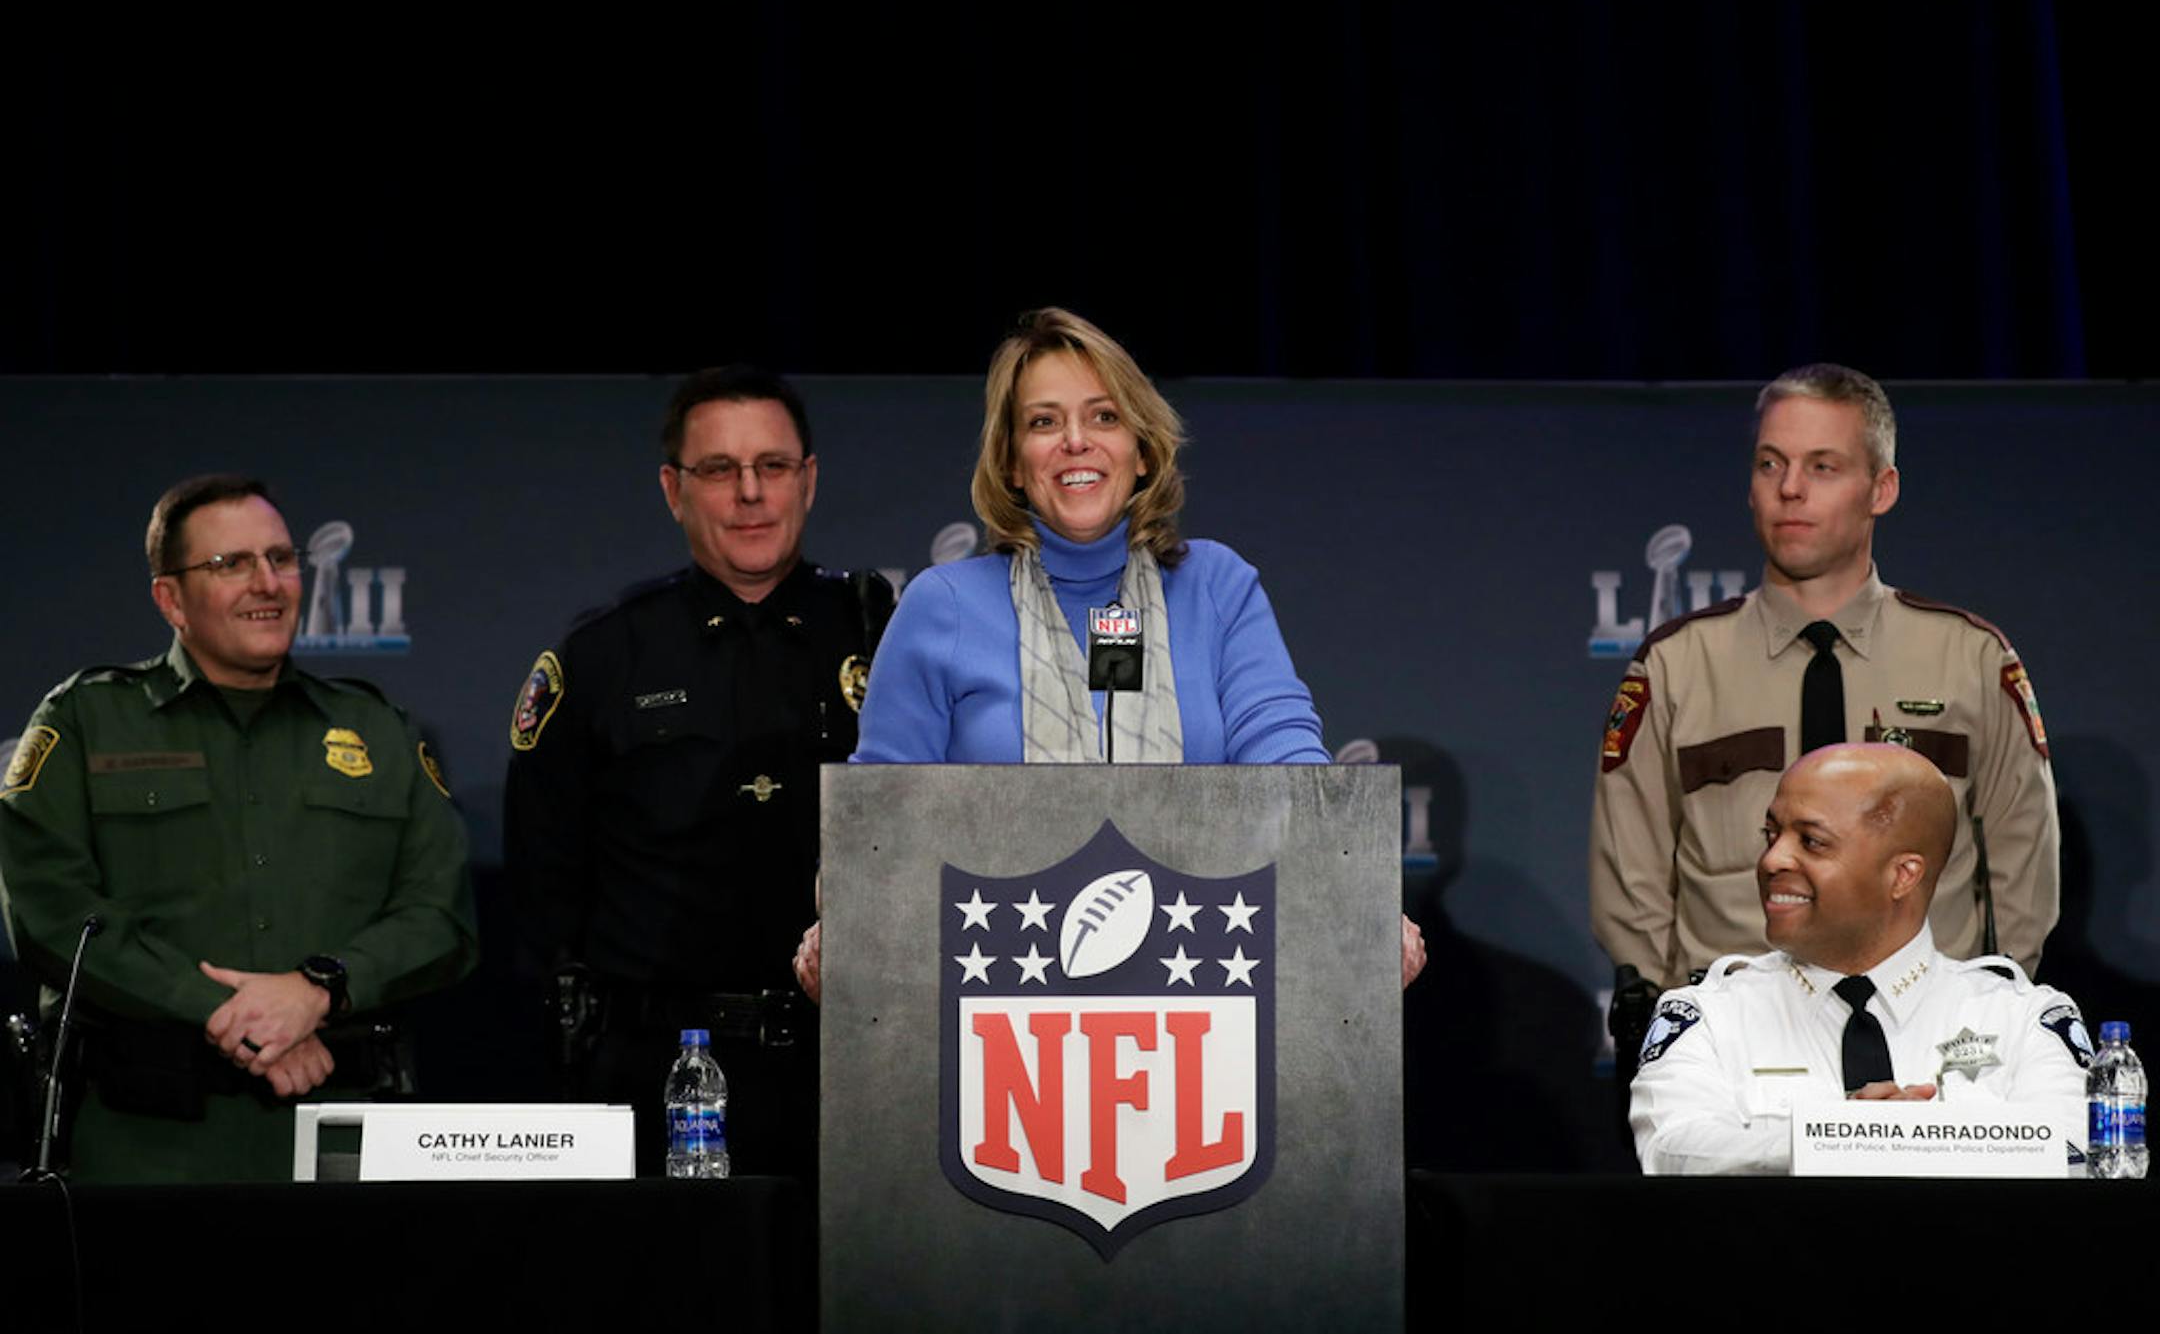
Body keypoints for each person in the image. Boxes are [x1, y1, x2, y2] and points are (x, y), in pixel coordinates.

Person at [793, 307, 1424, 995]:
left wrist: (1355, 896)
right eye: (1043, 422)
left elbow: (1287, 764)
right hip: (995, 1008)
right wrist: (847, 915)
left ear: (1144, 448)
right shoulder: (941, 606)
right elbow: (878, 820)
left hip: (1199, 996)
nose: (1074, 442)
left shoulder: (1215, 586)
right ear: (1009, 459)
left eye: (1103, 417)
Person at [0, 475, 478, 1183]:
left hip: (345, 1136)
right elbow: (53, 916)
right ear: (170, 598)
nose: (268, 583)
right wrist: (240, 1013)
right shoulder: (84, 721)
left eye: (281, 559)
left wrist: (317, 991)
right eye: (230, 564)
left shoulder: (377, 727)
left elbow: (441, 918)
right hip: (142, 1145)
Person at [504, 367, 890, 1177]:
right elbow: (543, 889)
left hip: (858, 1067)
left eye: (773, 466)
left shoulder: (887, 635)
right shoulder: (604, 653)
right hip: (657, 1079)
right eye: (719, 470)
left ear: (809, 480)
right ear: (674, 489)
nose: (750, 493)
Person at [1590, 364, 2058, 997]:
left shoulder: (1970, 659)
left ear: (1881, 488)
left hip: (1929, 1042)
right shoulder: (1675, 666)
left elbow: (2020, 870)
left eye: (1823, 467)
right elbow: (1631, 880)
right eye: (1770, 464)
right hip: (1735, 1041)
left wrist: (1984, 1013)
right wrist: (1678, 1024)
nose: (1790, 489)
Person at [1631, 743, 2091, 1175]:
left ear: (1903, 875)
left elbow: (2080, 1157)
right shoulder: (1706, 1016)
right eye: (1771, 834)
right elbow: (1671, 1150)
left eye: (1811, 842)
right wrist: (1843, 1136)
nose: (1772, 860)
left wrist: (1897, 1139)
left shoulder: (2024, 1019)